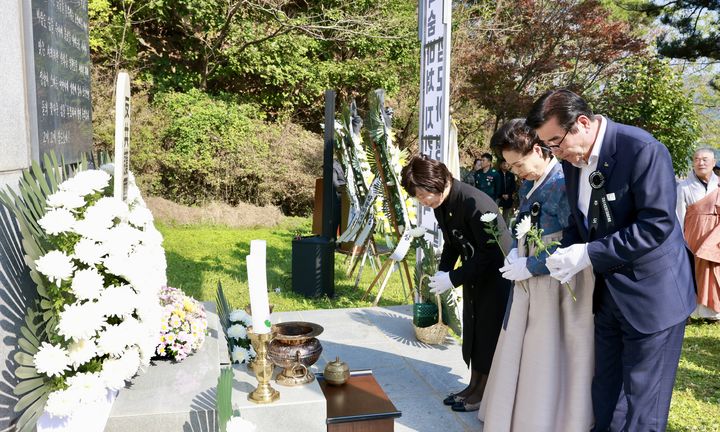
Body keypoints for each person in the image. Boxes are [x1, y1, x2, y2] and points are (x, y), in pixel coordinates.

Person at [527, 89, 695, 431]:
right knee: (605, 392)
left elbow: (656, 225)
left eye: (556, 142)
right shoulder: (573, 163)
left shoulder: (642, 150)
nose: (555, 153)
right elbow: (581, 221)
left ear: (583, 123)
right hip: (607, 296)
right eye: (549, 147)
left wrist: (589, 253)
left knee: (642, 404)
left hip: (652, 297)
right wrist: (565, 255)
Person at [478, 119, 594, 431]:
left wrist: (531, 264)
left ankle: (546, 418)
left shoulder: (563, 182)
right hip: (530, 276)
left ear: (540, 150)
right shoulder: (532, 182)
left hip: (557, 279)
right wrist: (517, 251)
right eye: (511, 167)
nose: (517, 172)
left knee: (550, 347)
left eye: (519, 164)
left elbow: (573, 238)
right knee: (524, 344)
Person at [400, 155, 511, 412]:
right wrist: (444, 272)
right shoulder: (443, 203)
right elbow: (452, 244)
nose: (423, 202)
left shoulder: (475, 202)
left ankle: (483, 392)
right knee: (474, 333)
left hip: (495, 278)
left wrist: (453, 278)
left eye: (422, 195)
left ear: (435, 182)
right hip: (473, 276)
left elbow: (492, 254)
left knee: (488, 335)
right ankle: (473, 386)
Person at [677, 148, 720, 321]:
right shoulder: (684, 187)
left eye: (705, 159)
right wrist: (678, 241)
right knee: (694, 272)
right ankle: (694, 312)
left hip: (716, 236)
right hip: (693, 235)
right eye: (696, 159)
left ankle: (715, 313)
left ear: (714, 162)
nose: (701, 162)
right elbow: (678, 215)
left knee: (716, 271)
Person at [498, 160, 517, 224]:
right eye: (503, 164)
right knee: (495, 212)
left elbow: (513, 186)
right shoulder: (496, 174)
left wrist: (508, 194)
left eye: (507, 164)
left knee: (506, 216)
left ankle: (505, 229)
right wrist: (501, 195)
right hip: (498, 197)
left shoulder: (511, 175)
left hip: (508, 197)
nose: (505, 165)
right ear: (500, 165)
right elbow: (496, 186)